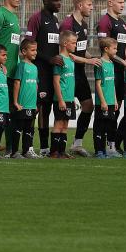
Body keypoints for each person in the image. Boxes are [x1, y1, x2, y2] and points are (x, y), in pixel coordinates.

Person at [61, 0, 102, 157]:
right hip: (68, 74)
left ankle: (77, 144)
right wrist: (88, 62)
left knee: (88, 106)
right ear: (80, 5)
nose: (92, 8)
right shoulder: (68, 24)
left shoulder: (83, 25)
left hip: (80, 73)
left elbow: (80, 50)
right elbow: (66, 53)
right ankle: (53, 148)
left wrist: (92, 58)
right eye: (89, 5)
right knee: (63, 111)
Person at [96, 0, 126, 156]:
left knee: (116, 110)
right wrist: (124, 62)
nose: (123, 5)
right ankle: (103, 147)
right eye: (120, 2)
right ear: (110, 3)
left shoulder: (122, 22)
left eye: (123, 2)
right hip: (112, 71)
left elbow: (120, 48)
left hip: (120, 70)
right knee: (107, 113)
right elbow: (106, 48)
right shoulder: (105, 22)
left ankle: (112, 145)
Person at [26, 0, 62, 157]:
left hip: (52, 72)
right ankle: (29, 146)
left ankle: (45, 147)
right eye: (55, 0)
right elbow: (28, 46)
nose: (59, 3)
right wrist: (48, 59)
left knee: (46, 108)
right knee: (37, 108)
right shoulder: (36, 18)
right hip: (39, 71)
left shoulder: (55, 20)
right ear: (45, 1)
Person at [0, 0, 23, 153]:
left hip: (12, 70)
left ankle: (10, 148)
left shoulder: (15, 17)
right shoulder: (0, 14)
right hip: (0, 72)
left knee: (11, 111)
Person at [51, 30, 78, 159]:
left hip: (70, 98)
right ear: (65, 43)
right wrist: (60, 100)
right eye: (73, 43)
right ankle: (54, 151)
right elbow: (56, 81)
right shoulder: (59, 60)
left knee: (66, 125)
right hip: (61, 99)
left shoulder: (71, 59)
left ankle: (62, 151)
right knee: (58, 124)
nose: (75, 45)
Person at [12, 39, 39, 158]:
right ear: (24, 51)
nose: (35, 52)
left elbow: (36, 86)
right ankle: (14, 152)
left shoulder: (35, 67)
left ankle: (26, 150)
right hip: (22, 104)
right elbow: (17, 83)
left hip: (31, 105)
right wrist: (15, 102)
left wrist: (36, 103)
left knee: (29, 129)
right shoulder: (21, 66)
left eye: (36, 50)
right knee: (18, 128)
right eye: (32, 50)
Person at [93, 37, 118, 159]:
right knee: (100, 127)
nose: (116, 51)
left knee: (109, 126)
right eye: (114, 48)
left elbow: (112, 83)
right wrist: (102, 101)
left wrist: (115, 99)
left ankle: (106, 150)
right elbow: (98, 84)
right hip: (102, 103)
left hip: (111, 101)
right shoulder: (99, 63)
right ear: (106, 49)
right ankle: (99, 150)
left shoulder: (112, 63)